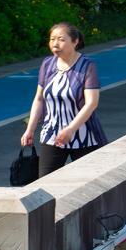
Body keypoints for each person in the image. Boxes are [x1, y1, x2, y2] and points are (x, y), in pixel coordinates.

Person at [21, 23, 108, 177]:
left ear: (75, 42)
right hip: (52, 135)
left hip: (84, 137)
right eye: (52, 39)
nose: (55, 44)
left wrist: (70, 129)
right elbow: (39, 98)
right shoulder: (47, 64)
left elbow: (91, 103)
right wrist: (30, 129)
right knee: (45, 185)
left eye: (61, 39)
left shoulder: (87, 66)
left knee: (89, 184)